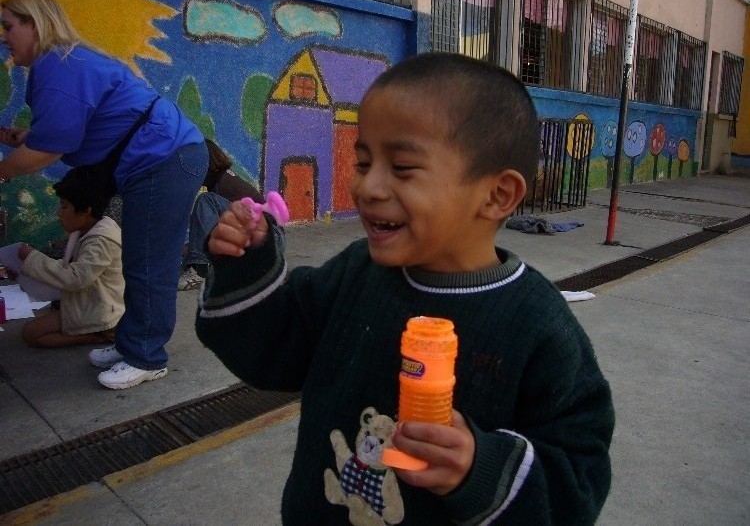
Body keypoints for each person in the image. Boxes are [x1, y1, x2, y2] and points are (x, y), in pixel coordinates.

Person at [196, 53, 614, 524]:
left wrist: (481, 468)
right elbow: (271, 350)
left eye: (402, 167)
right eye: (363, 161)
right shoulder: (353, 273)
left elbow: (580, 477)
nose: (367, 186)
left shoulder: (538, 325)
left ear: (497, 195)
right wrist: (245, 265)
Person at [0, 0, 208, 389]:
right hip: (162, 157)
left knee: (149, 262)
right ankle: (132, 342)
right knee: (138, 257)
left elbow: (49, 147)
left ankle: (147, 356)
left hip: (164, 159)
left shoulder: (57, 66)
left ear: (35, 23)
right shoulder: (61, 63)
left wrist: (4, 171)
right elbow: (67, 131)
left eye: (9, 26)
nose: (5, 37)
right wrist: (30, 136)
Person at [16, 167, 124, 348]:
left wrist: (32, 259)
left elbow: (76, 278)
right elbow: (73, 268)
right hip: (88, 301)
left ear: (85, 211)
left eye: (64, 206)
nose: (59, 213)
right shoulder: (85, 230)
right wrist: (26, 266)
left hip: (101, 310)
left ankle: (100, 336)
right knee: (37, 324)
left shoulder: (101, 240)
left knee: (31, 333)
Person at [178, 139, 262, 291]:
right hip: (264, 240)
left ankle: (200, 271)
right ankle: (199, 266)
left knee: (205, 200)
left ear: (205, 163)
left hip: (267, 239)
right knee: (198, 225)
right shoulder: (222, 179)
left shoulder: (221, 184)